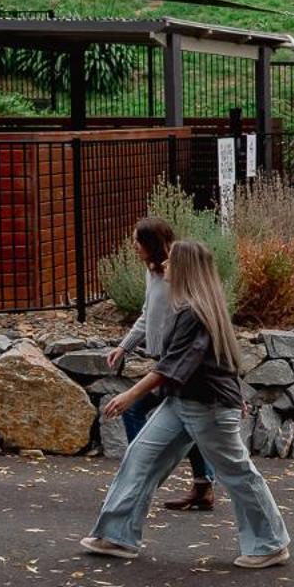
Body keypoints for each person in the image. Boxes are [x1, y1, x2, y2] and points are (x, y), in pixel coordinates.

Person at [80, 239, 291, 568]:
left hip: (207, 408)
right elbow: (214, 360)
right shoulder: (192, 307)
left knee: (237, 473)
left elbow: (173, 366)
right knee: (141, 459)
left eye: (171, 262)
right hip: (182, 403)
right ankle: (117, 537)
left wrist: (129, 396)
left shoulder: (195, 312)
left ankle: (270, 544)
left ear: (186, 268)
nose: (164, 265)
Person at [109, 217, 215, 511]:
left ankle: (140, 472)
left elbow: (194, 321)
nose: (134, 246)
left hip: (177, 366)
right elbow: (147, 315)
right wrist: (124, 346)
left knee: (136, 409)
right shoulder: (153, 273)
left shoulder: (177, 273)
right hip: (164, 361)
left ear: (151, 243)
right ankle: (202, 484)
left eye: (138, 241)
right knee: (187, 424)